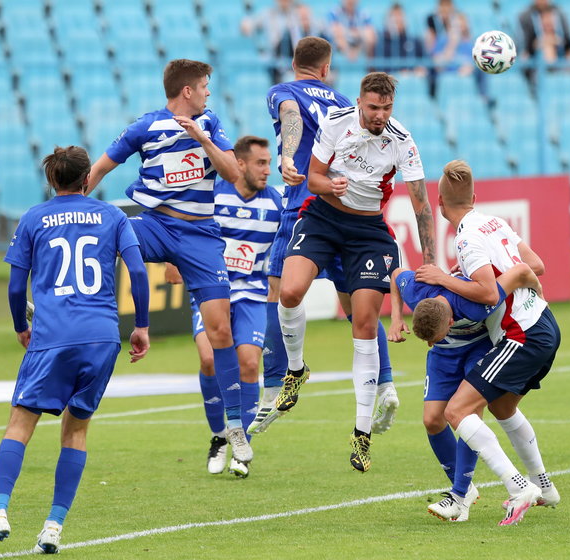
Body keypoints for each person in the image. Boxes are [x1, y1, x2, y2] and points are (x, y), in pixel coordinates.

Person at [0, 146, 150, 556]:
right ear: (88, 179)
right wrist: (140, 325)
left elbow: (17, 287)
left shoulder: (34, 217)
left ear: (52, 181)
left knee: (20, 423)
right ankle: (53, 525)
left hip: (53, 336)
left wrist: (21, 327)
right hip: (102, 336)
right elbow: (137, 271)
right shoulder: (114, 216)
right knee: (77, 428)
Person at [85, 59, 254, 465]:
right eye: (205, 86)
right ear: (187, 91)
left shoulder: (210, 123)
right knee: (96, 238)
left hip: (200, 236)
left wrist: (204, 140)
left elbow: (234, 175)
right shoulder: (146, 127)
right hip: (156, 225)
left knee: (219, 330)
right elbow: (103, 166)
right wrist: (70, 203)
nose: (209, 92)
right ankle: (65, 308)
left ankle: (234, 426)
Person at [278, 71, 436, 472]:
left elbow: (420, 204)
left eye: (386, 108)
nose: (380, 115)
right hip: (324, 218)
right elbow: (313, 178)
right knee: (290, 292)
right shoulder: (336, 123)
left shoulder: (402, 140)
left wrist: (430, 260)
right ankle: (296, 370)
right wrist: (330, 187)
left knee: (364, 325)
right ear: (360, 102)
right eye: (373, 107)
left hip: (368, 232)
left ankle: (361, 434)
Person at [250, 37, 400, 438]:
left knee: (279, 291)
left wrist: (285, 156)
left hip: (306, 206)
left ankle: (274, 386)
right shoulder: (340, 103)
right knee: (356, 306)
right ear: (325, 68)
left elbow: (290, 116)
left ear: (295, 63)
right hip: (348, 209)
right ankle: (385, 384)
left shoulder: (283, 91)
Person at [415, 160, 561, 526]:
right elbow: (536, 265)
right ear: (475, 197)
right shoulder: (493, 222)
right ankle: (544, 486)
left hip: (519, 334)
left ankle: (518, 487)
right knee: (503, 408)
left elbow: (484, 292)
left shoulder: (465, 237)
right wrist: (520, 274)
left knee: (456, 412)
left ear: (440, 201)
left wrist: (443, 279)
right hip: (543, 322)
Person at [389, 262, 552, 521]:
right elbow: (396, 275)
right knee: (432, 420)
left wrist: (540, 299)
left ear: (452, 321)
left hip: (478, 348)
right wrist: (396, 318)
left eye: (435, 336)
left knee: (466, 412)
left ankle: (460, 495)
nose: (430, 342)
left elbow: (518, 275)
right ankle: (465, 489)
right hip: (444, 357)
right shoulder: (416, 290)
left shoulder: (477, 305)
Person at [166, 136, 282, 478]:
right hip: (212, 290)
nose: (267, 170)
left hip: (252, 294)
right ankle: (219, 434)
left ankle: (240, 444)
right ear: (240, 164)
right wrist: (173, 260)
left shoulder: (275, 204)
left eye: (269, 163)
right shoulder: (212, 197)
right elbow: (181, 229)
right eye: (260, 163)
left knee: (248, 363)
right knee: (208, 359)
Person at [517, 0, 570, 73]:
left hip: (563, 56)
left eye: (550, 19)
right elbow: (527, 47)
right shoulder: (525, 17)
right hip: (538, 59)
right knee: (548, 48)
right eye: (545, 20)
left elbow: (568, 42)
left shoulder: (560, 14)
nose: (548, 22)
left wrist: (558, 41)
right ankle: (553, 77)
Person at [240, 0, 305, 83]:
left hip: (296, 59)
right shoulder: (267, 14)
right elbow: (247, 28)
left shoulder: (298, 13)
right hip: (275, 61)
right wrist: (247, 22)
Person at [378, 3, 425, 75]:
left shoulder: (415, 41)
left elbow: (425, 63)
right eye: (394, 16)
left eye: (400, 15)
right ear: (387, 20)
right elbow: (380, 69)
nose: (398, 19)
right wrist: (399, 73)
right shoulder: (381, 43)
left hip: (413, 80)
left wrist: (417, 70)